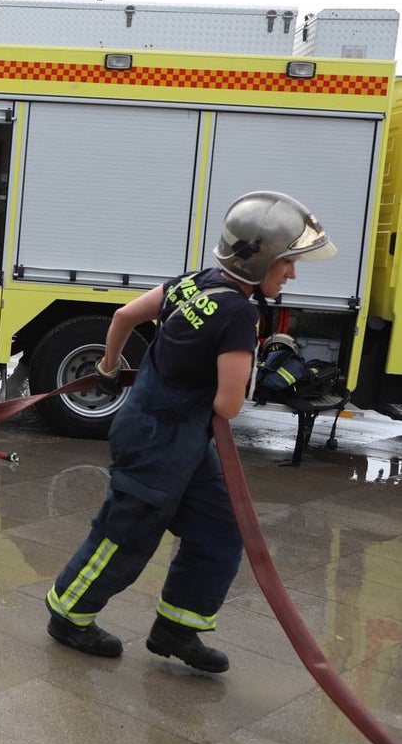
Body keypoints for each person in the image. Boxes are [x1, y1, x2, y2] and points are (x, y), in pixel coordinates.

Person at [45, 191, 337, 672]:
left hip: (173, 436)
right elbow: (227, 405)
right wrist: (251, 372)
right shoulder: (240, 313)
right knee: (127, 535)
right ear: (260, 259)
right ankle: (68, 613)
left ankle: (177, 628)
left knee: (220, 528)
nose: (292, 273)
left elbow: (123, 317)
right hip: (158, 442)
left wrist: (108, 367)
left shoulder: (193, 282)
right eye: (287, 261)